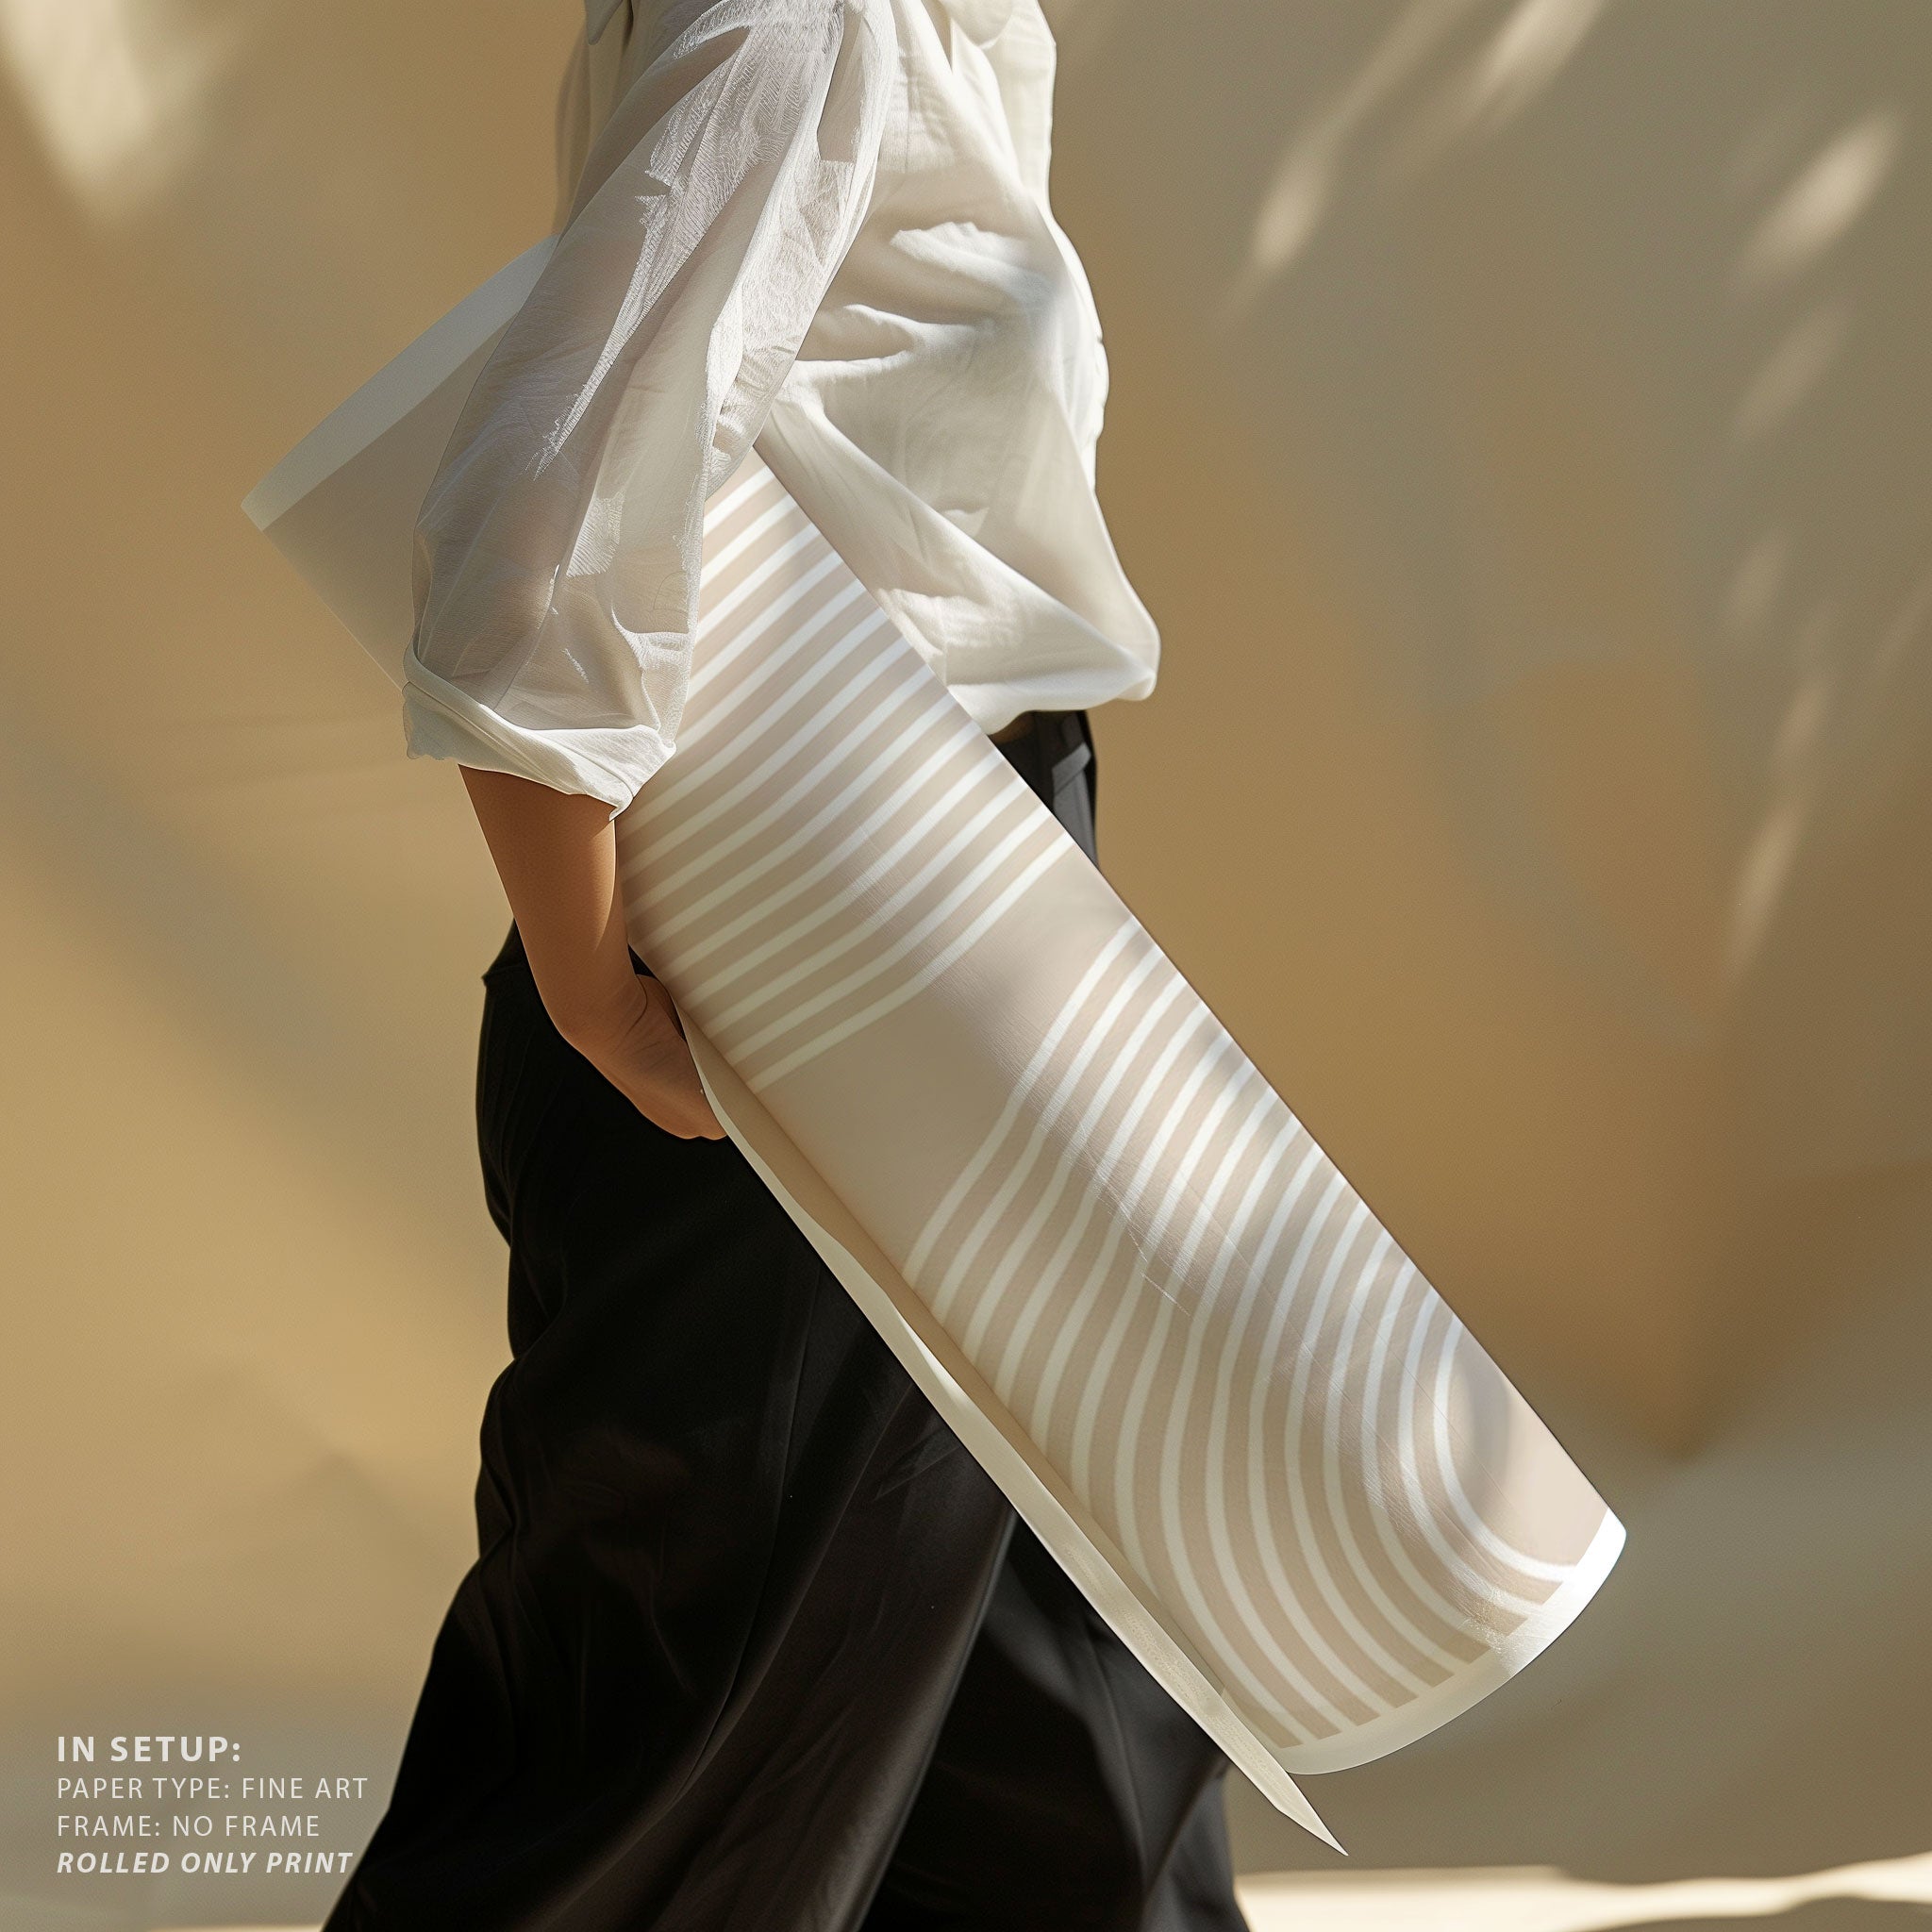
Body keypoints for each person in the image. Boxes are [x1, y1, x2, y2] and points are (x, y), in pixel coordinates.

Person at [322, 3, 1246, 1926]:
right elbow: (542, 513)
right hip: (813, 930)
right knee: (651, 1760)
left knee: (1072, 1729)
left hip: (964, 891)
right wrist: (593, 990)